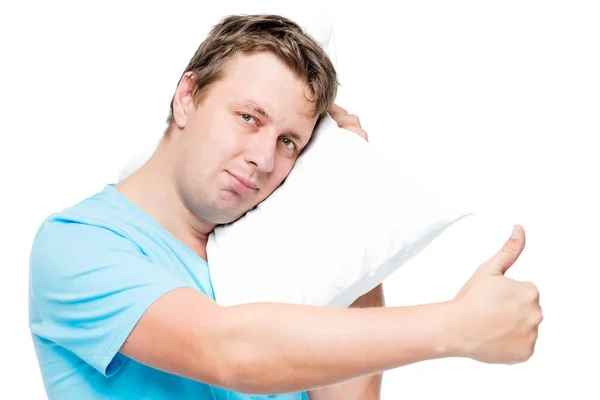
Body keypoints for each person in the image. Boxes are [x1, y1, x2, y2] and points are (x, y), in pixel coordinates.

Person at [28, 13, 543, 400]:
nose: (261, 158)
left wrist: (344, 190)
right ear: (187, 96)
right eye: (249, 117)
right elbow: (229, 351)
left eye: (289, 142)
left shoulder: (266, 256)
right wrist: (456, 326)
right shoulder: (77, 242)